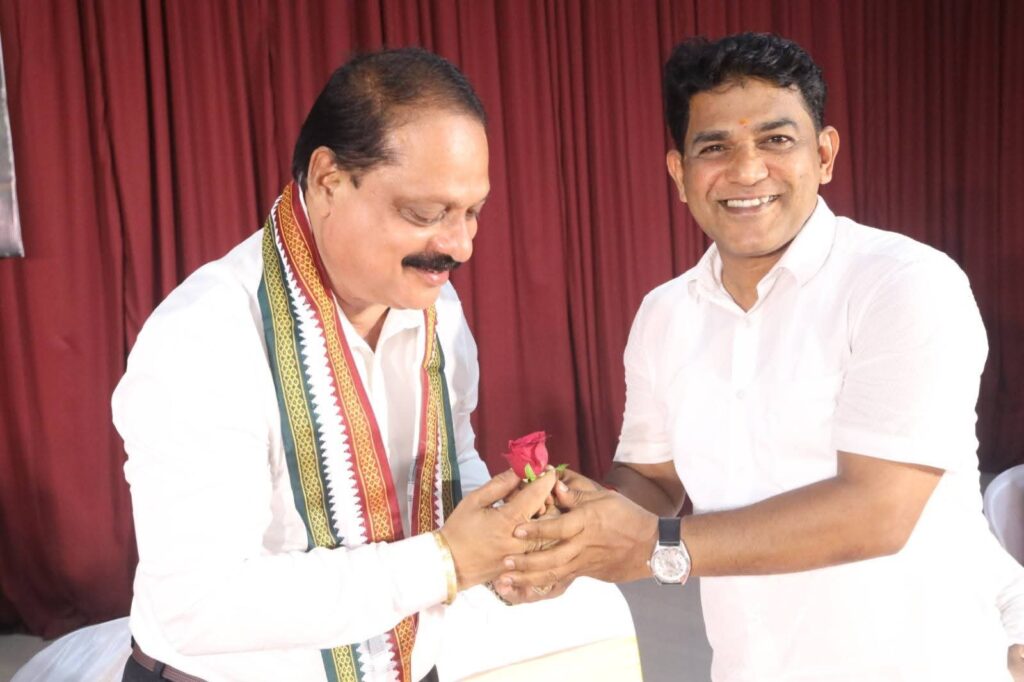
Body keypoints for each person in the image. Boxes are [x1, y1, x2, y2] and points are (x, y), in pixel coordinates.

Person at [497, 32, 1024, 681]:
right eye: (714, 147)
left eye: (776, 140)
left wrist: (655, 545)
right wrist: (575, 529)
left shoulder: (903, 283)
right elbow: (653, 480)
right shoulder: (665, 313)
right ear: (679, 173)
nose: (746, 171)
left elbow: (877, 511)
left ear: (824, 155)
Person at [112, 48, 561, 682]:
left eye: (473, 213)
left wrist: (507, 546)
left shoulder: (437, 307)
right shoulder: (205, 336)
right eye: (426, 214)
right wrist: (445, 563)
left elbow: (447, 463)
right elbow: (198, 605)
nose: (459, 246)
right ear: (328, 180)